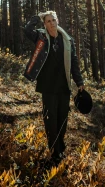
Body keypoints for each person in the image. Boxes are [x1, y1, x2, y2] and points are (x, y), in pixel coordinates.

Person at [23, 10, 84, 166]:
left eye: (53, 20)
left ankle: (59, 147)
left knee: (62, 120)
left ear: (58, 21)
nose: (51, 23)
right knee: (51, 121)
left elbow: (74, 63)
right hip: (48, 86)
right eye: (48, 21)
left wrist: (79, 82)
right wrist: (37, 17)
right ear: (45, 24)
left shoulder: (68, 40)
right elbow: (27, 30)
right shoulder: (41, 37)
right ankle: (55, 153)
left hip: (64, 86)